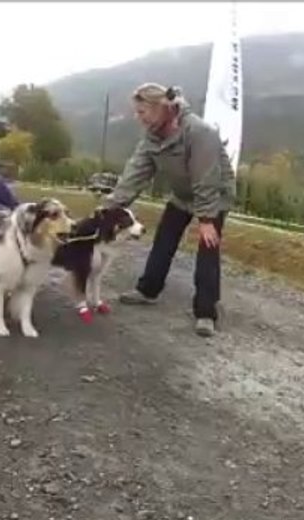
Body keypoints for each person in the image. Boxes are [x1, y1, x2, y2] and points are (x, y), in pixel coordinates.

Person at [103, 82, 235, 337]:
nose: (138, 117)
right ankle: (148, 290)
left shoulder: (199, 132)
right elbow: (135, 174)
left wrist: (207, 219)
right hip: (183, 194)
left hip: (213, 194)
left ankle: (206, 312)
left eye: (142, 112)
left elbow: (206, 177)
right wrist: (109, 208)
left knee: (208, 247)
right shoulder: (152, 137)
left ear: (160, 108)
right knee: (165, 237)